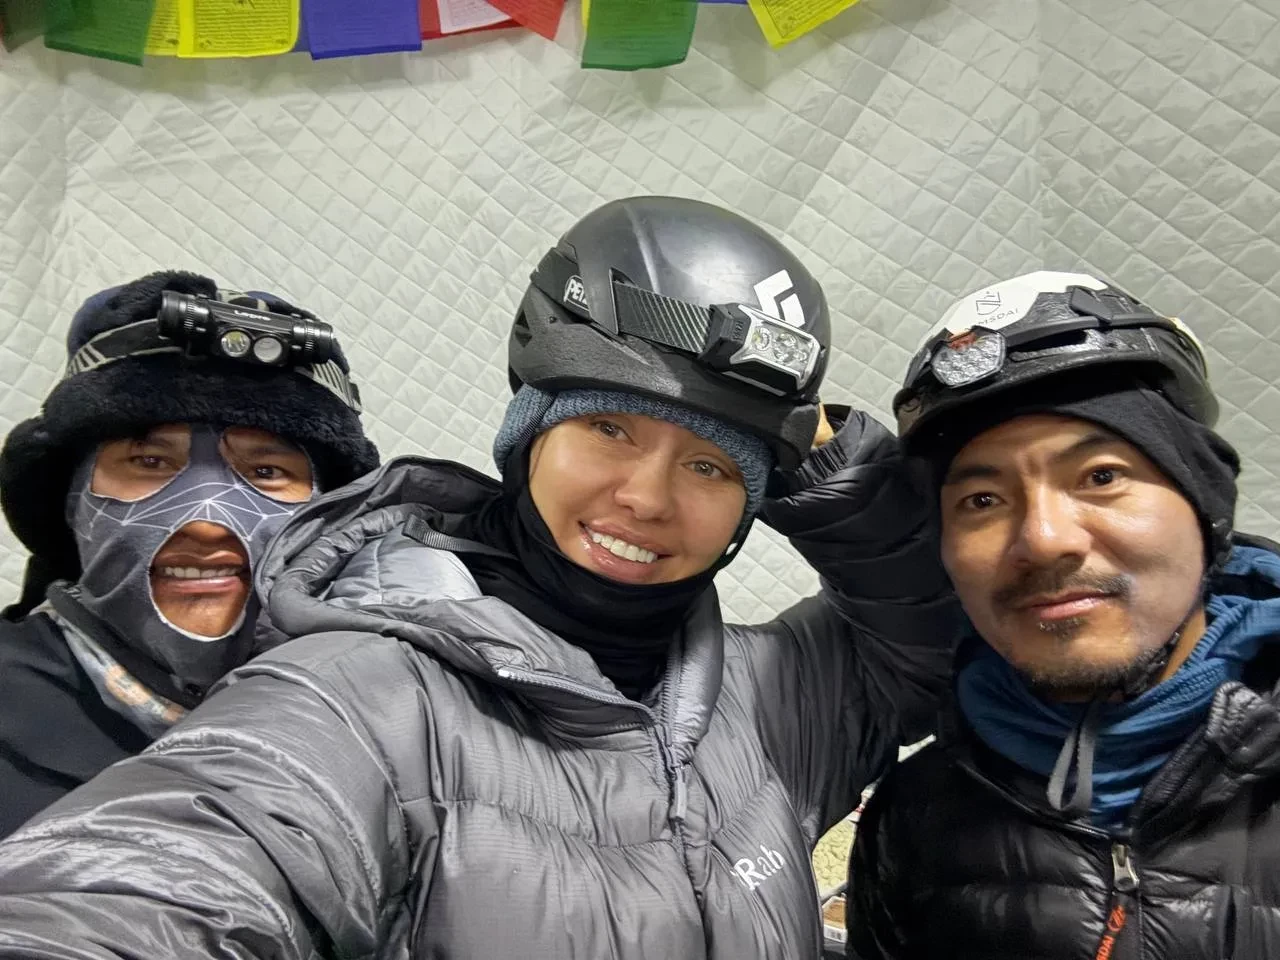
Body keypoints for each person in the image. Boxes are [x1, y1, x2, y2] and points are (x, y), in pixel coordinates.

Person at [0, 196, 958, 960]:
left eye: (712, 466)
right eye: (608, 429)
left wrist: (824, 453)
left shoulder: (772, 694)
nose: (646, 497)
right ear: (526, 437)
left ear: (755, 502)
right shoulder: (360, 692)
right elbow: (167, 871)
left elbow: (946, 630)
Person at [847, 271, 1280, 960]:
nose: (1044, 540)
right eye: (982, 501)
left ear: (1207, 512)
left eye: (1101, 476)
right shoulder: (913, 815)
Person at [0, 270, 379, 838]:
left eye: (266, 471)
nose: (206, 522)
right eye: (150, 462)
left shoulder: (388, 713)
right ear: (70, 500)